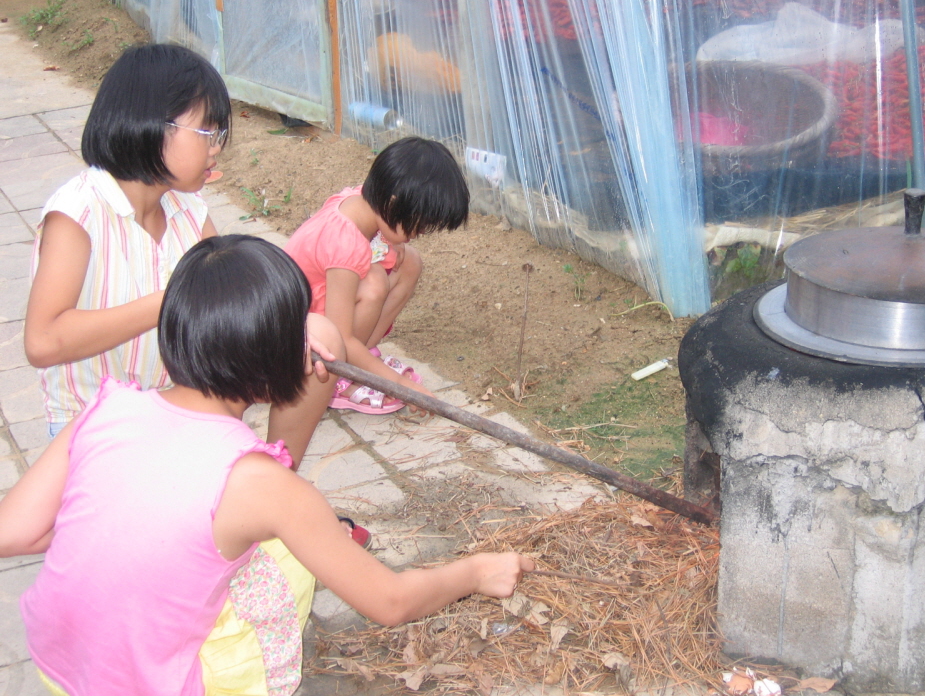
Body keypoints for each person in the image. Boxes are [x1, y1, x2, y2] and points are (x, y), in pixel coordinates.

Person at [0, 235, 534, 696]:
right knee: (291, 553)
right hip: (152, 682)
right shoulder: (263, 485)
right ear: (274, 357)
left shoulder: (106, 409)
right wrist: (477, 572)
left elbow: (15, 531)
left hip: (59, 669)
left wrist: (130, 522)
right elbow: (390, 602)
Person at [22, 43, 338, 470]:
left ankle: (275, 480)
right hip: (97, 428)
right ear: (152, 125)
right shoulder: (79, 214)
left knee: (319, 334)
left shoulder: (187, 210)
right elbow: (43, 342)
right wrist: (169, 302)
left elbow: (236, 290)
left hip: (179, 406)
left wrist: (288, 325)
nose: (217, 149)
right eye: (208, 133)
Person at [284, 136, 469, 413]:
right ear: (393, 205)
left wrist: (393, 241)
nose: (422, 233)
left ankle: (362, 359)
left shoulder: (360, 201)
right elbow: (341, 334)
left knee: (409, 262)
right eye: (423, 225)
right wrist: (399, 385)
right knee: (373, 284)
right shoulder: (345, 244)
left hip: (316, 311)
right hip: (297, 338)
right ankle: (340, 375)